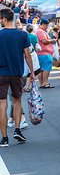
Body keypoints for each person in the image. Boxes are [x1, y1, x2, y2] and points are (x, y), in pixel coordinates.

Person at [0, 8, 34, 147]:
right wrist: (32, 72)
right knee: (17, 101)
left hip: (1, 73)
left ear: (4, 19)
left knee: (2, 104)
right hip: (17, 72)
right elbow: (27, 55)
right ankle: (17, 129)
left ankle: (4, 138)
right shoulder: (22, 35)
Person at [35, 18, 57, 88]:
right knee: (46, 68)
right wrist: (52, 41)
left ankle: (42, 83)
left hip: (41, 53)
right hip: (45, 53)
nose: (47, 27)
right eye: (46, 25)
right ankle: (45, 83)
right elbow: (44, 41)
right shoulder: (41, 32)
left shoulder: (38, 31)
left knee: (41, 69)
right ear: (42, 25)